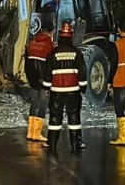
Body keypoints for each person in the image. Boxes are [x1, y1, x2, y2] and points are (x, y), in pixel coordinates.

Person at [43, 19, 88, 153]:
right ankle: (76, 144)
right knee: (74, 117)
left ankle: (52, 144)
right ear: (71, 36)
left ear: (60, 35)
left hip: (56, 91)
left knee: (55, 117)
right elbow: (82, 73)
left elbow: (47, 73)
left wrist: (47, 88)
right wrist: (83, 88)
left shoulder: (53, 53)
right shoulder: (77, 53)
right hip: (73, 91)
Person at [24, 22, 56, 142]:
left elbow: (27, 63)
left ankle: (30, 132)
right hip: (43, 80)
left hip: (32, 79)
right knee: (43, 103)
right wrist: (47, 80)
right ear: (52, 31)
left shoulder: (31, 42)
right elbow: (49, 64)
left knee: (34, 103)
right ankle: (37, 133)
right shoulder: (48, 44)